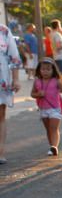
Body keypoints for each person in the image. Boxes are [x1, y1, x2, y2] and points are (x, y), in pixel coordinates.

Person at [30, 57, 62, 156]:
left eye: (48, 69)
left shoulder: (57, 81)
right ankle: (52, 146)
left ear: (53, 70)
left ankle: (54, 147)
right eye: (43, 69)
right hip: (43, 109)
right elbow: (32, 94)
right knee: (48, 129)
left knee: (53, 128)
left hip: (55, 109)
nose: (45, 71)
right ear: (39, 70)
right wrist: (38, 94)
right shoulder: (37, 81)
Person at [0, 23, 24, 164]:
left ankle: (1, 152)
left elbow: (14, 56)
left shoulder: (3, 30)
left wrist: (16, 79)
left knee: (0, 115)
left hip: (2, 78)